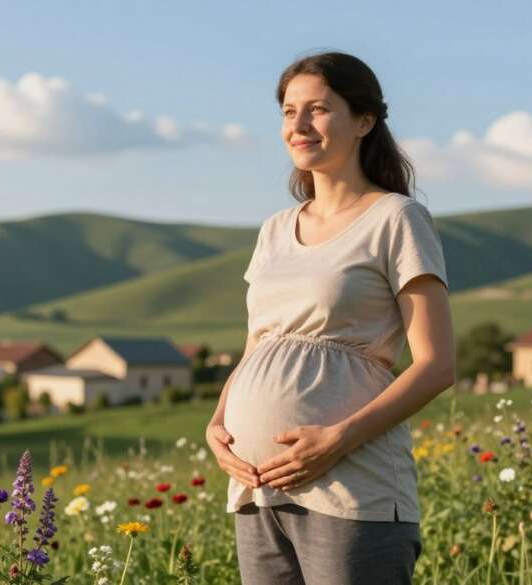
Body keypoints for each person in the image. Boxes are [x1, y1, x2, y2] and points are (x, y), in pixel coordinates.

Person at [204, 51, 456, 585]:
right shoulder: (275, 229)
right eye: (288, 111)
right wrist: (219, 423)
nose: (297, 125)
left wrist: (337, 439)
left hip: (351, 490)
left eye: (317, 109)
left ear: (364, 120)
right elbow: (258, 347)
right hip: (257, 490)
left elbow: (436, 366)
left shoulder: (397, 218)